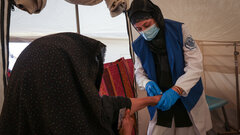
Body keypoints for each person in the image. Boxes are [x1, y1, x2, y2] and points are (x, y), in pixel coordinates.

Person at [0, 33, 161, 135]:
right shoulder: (74, 122)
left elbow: (106, 106)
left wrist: (153, 100)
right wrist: (125, 132)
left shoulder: (27, 108)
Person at [127, 0, 212, 135]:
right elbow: (139, 72)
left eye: (147, 25)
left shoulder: (179, 30)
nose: (144, 32)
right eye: (139, 29)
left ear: (156, 17)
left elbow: (195, 65)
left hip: (186, 95)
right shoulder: (138, 45)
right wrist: (146, 83)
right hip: (161, 99)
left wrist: (177, 90)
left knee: (188, 130)